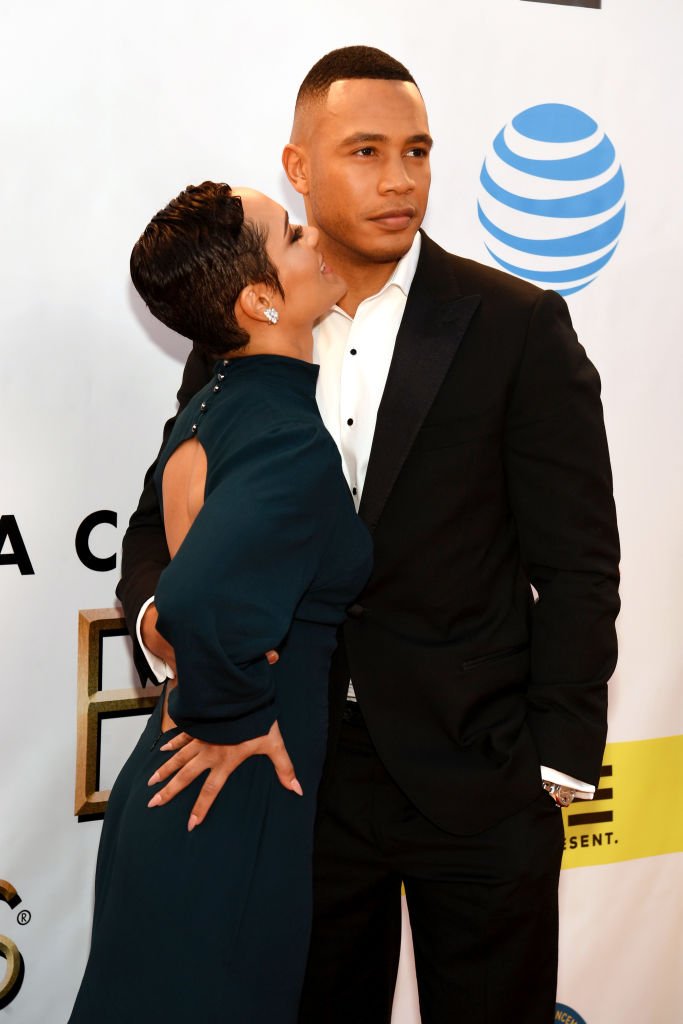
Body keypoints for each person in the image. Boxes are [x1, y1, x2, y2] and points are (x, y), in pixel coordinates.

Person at [117, 47, 620, 1024]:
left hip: (479, 774)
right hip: (298, 774)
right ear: (296, 168)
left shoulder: (514, 324)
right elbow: (161, 516)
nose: (400, 180)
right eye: (364, 151)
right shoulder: (248, 320)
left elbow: (575, 561)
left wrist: (556, 757)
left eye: (417, 150)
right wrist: (161, 635)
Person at [68, 181, 373, 1023]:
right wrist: (236, 716)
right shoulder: (282, 434)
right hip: (231, 793)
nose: (314, 237)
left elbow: (182, 589)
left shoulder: (218, 403)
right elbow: (198, 598)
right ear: (259, 298)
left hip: (180, 783)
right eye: (289, 234)